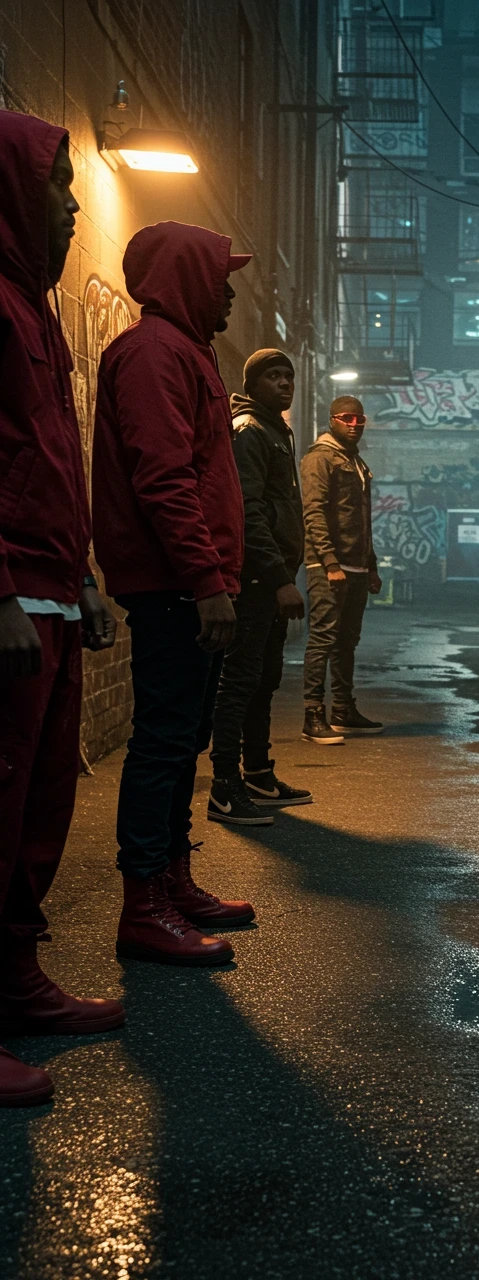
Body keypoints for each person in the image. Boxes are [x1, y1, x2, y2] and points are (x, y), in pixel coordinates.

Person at [0, 111, 122, 1106]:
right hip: (7, 601)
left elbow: (47, 462)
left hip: (49, 591)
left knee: (38, 809)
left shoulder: (36, 313)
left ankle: (16, 978)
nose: (74, 205)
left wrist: (77, 575)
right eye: (56, 185)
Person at [93, 221, 256, 966]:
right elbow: (164, 480)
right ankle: (144, 907)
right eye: (220, 276)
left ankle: (173, 880)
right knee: (163, 739)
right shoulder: (155, 353)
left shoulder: (188, 351)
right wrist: (205, 583)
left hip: (193, 583)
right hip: (173, 587)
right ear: (188, 277)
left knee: (184, 735)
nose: (229, 290)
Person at [208, 349, 312, 824]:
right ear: (252, 385)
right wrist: (276, 578)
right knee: (240, 680)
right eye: (274, 376)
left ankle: (258, 772)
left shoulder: (275, 429)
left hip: (272, 578)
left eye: (289, 376)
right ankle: (224, 786)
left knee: (264, 679)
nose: (284, 383)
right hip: (255, 579)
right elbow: (246, 509)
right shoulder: (249, 431)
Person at [300, 395, 382, 744]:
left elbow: (363, 520)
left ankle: (343, 710)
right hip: (328, 566)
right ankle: (313, 715)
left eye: (359, 419)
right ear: (332, 420)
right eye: (347, 418)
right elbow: (314, 513)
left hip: (356, 566)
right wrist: (330, 563)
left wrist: (371, 566)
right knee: (323, 638)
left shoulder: (355, 462)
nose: (354, 424)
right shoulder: (320, 458)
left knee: (346, 641)